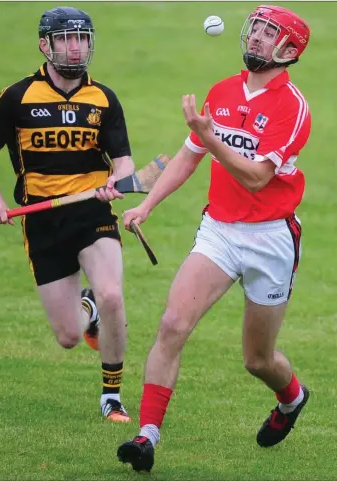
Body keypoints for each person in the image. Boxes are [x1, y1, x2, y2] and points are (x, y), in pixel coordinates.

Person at [117, 4, 312, 471]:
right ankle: (146, 437)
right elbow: (189, 157)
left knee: (258, 360)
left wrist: (210, 135)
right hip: (220, 231)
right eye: (256, 31)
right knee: (172, 324)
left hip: (270, 240)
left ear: (289, 50)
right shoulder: (222, 92)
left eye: (269, 34)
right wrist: (147, 204)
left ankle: (292, 397)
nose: (257, 39)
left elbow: (255, 179)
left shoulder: (292, 107)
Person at [0, 6, 134, 422]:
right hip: (41, 219)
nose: (75, 47)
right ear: (46, 44)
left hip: (91, 213)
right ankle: (88, 309)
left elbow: (125, 162)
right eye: (66, 38)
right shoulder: (19, 97)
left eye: (81, 38)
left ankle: (111, 396)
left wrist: (116, 181)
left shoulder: (103, 99)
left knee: (113, 294)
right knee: (68, 337)